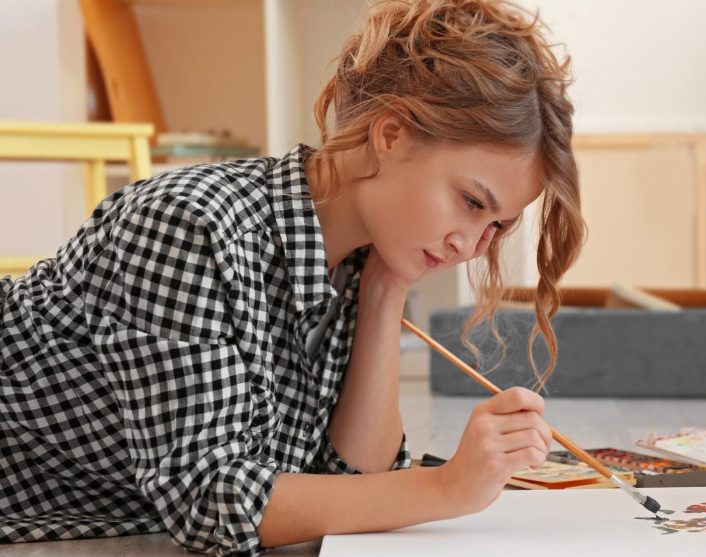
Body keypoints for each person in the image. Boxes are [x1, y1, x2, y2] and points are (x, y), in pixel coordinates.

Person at [0, 0, 585, 554]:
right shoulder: (191, 224)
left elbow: (352, 483)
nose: (473, 245)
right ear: (391, 135)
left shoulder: (364, 255)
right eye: (471, 202)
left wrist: (385, 291)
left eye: (496, 225)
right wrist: (445, 488)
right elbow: (212, 502)